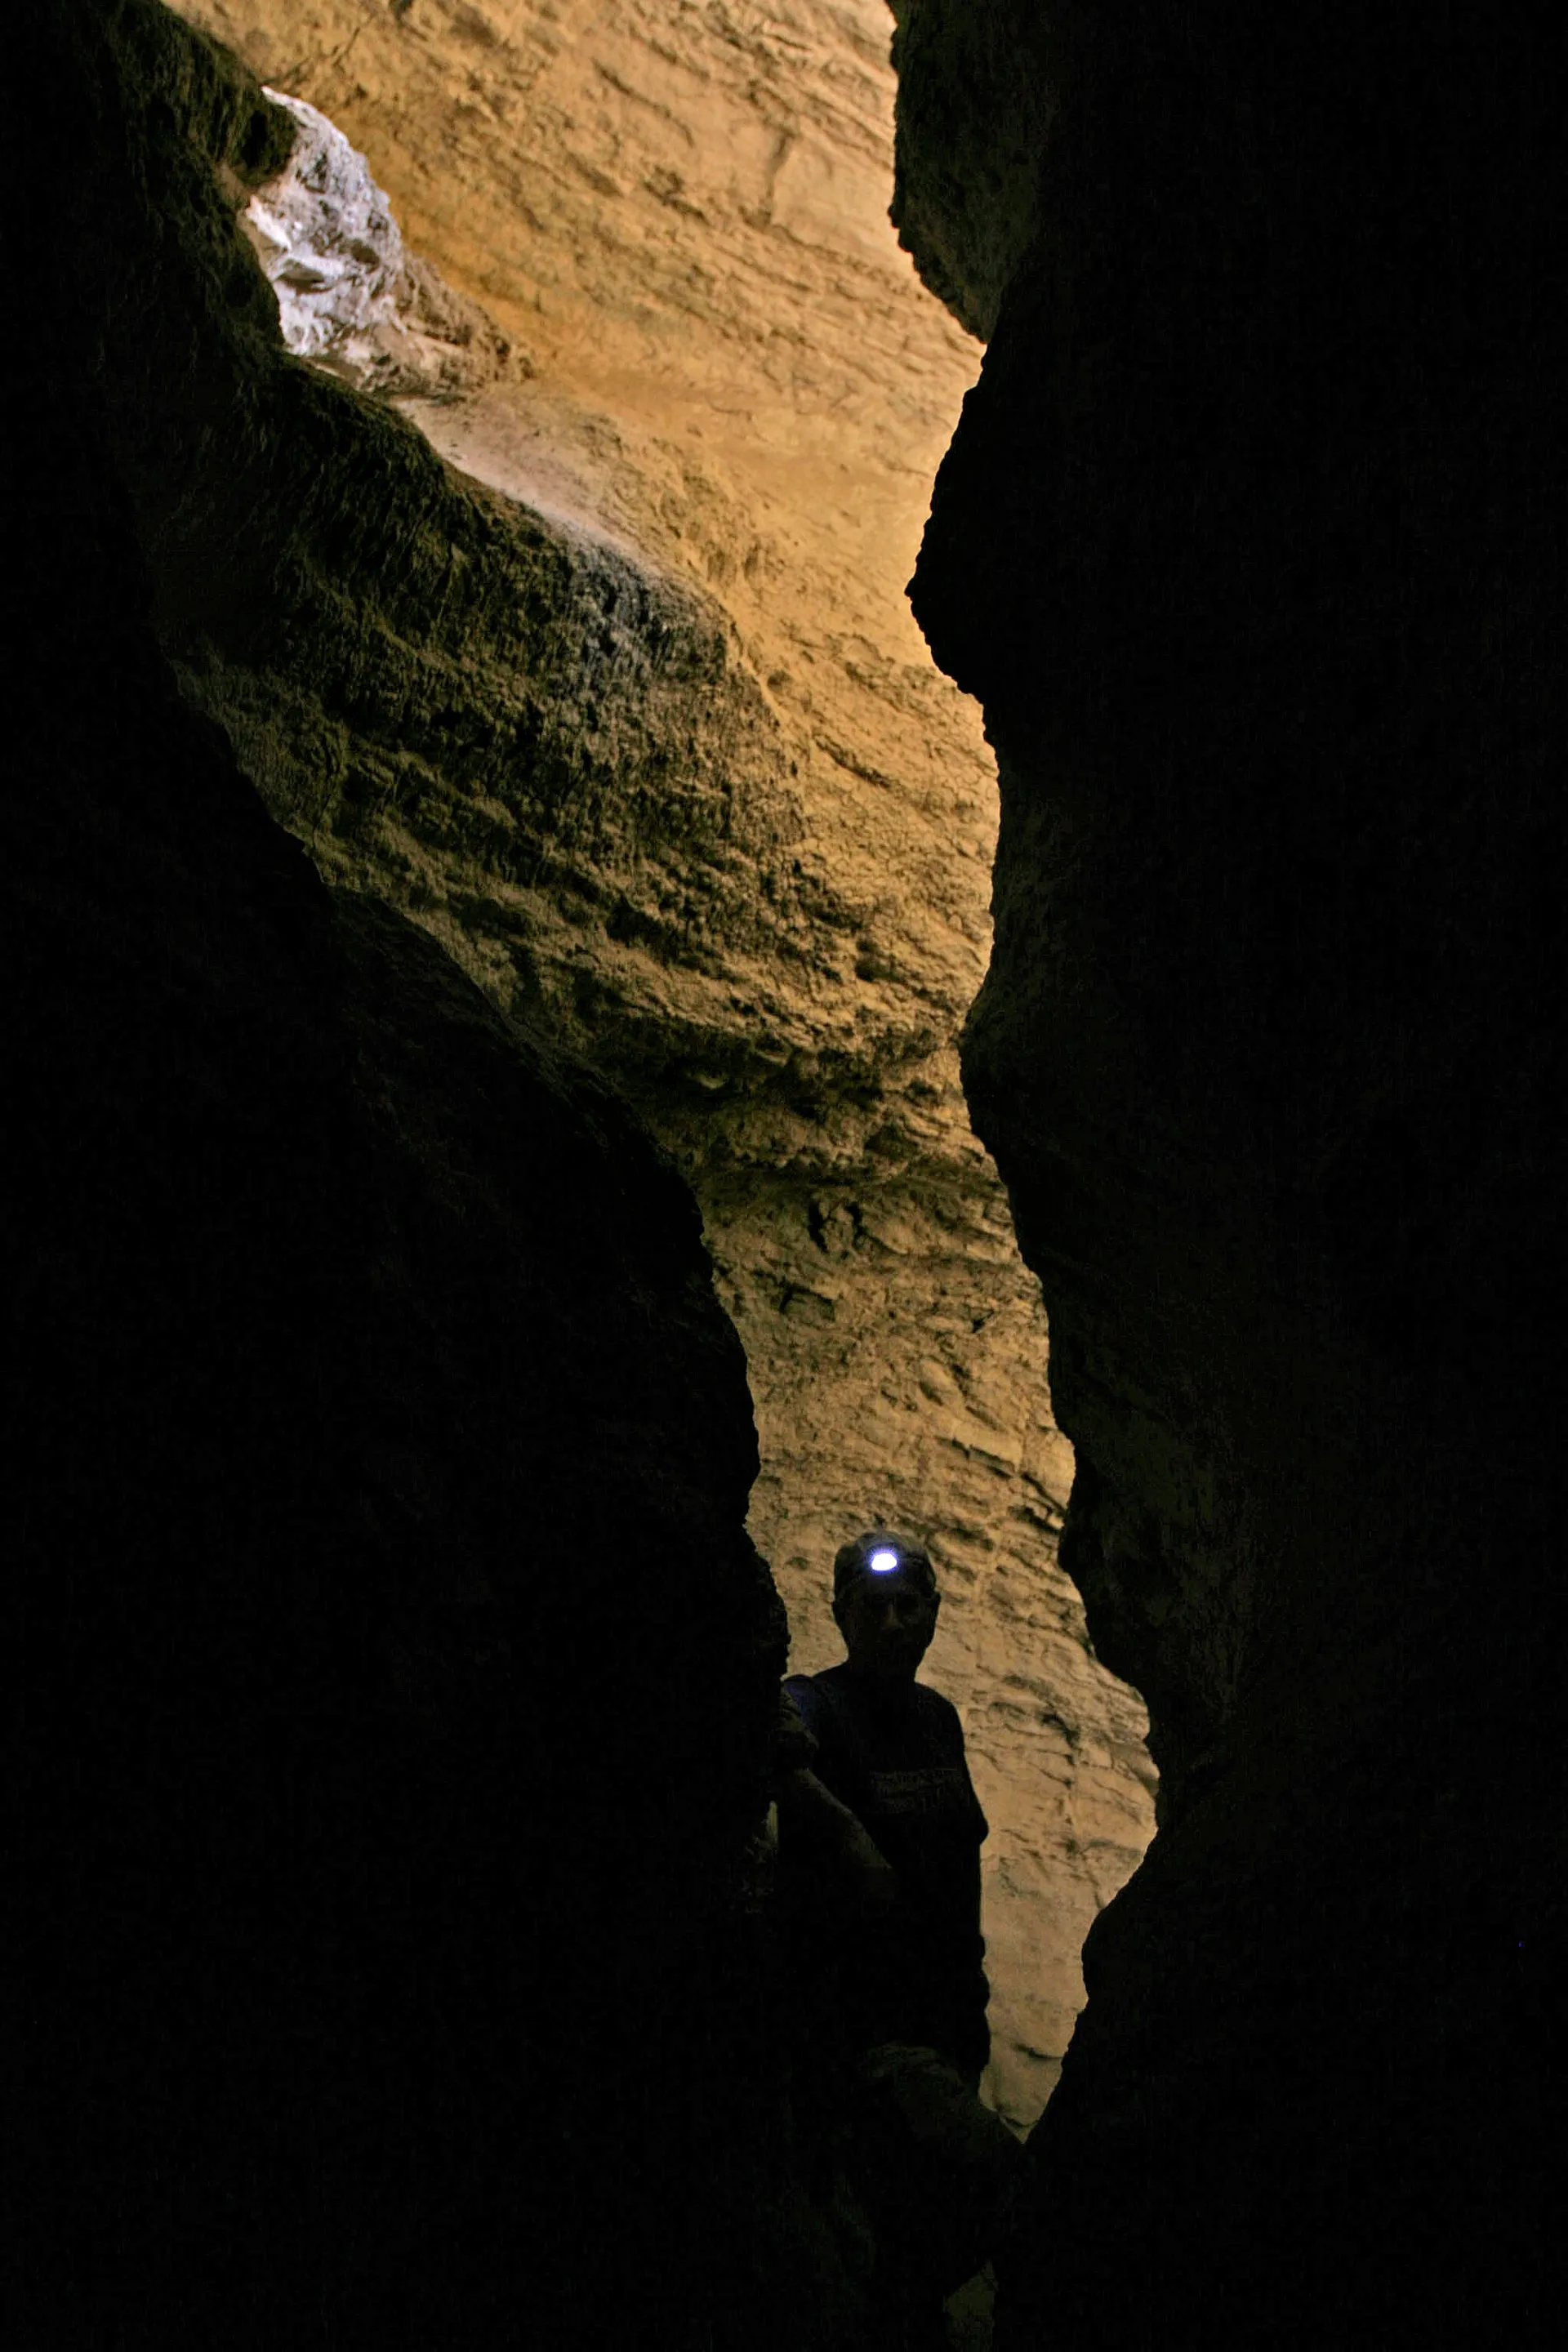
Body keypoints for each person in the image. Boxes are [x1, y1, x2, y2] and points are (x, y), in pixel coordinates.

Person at [774, 1531, 1021, 2348]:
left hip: (945, 2030)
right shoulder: (817, 1702)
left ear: (933, 1615)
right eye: (868, 1605)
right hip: (864, 2041)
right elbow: (761, 1730)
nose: (888, 1622)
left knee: (909, 2254)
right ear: (838, 1613)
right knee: (995, 2187)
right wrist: (846, 1835)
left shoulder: (937, 1721)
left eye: (905, 1604)